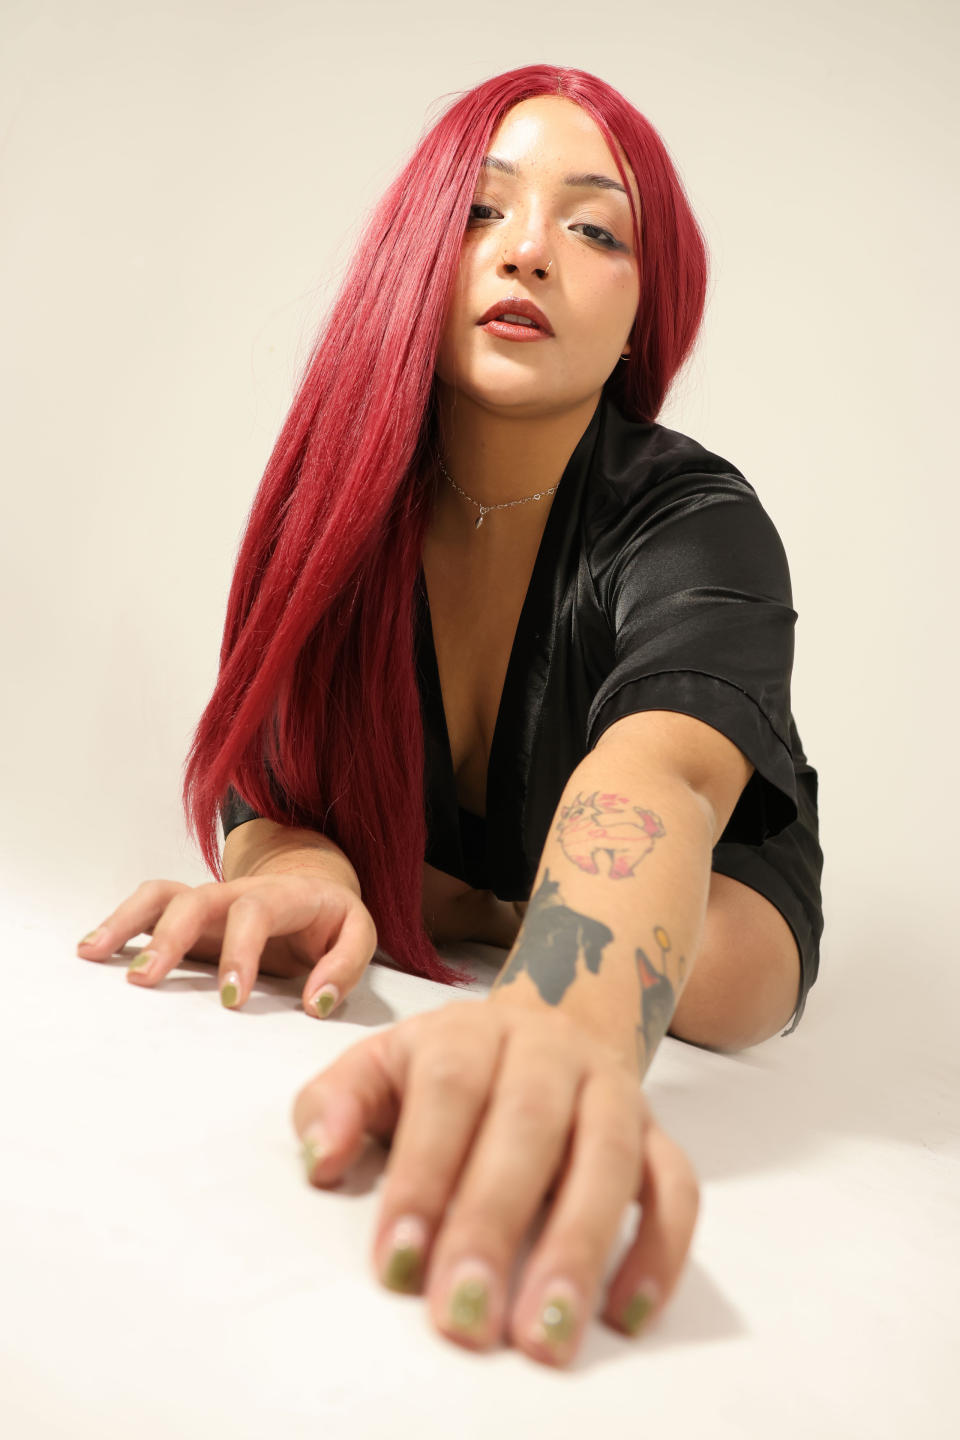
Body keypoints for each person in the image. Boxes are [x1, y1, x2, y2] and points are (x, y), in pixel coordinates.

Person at [76, 65, 823, 1369]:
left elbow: (660, 778)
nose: (527, 250)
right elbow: (274, 777)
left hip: (711, 911)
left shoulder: (699, 520)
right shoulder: (337, 507)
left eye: (593, 229)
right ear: (419, 249)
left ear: (641, 315)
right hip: (450, 869)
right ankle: (480, 904)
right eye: (482, 211)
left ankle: (495, 913)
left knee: (714, 967)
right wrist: (302, 871)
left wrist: (557, 1028)